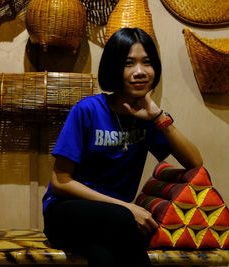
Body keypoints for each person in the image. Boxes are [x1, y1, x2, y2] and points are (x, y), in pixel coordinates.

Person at [42, 27, 203, 267]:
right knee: (122, 224)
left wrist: (159, 118)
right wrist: (128, 208)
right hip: (65, 214)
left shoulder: (149, 118)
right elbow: (61, 181)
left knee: (103, 257)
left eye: (146, 62)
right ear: (114, 68)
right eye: (129, 63)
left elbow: (195, 163)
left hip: (116, 222)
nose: (140, 72)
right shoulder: (87, 110)